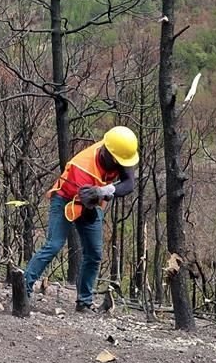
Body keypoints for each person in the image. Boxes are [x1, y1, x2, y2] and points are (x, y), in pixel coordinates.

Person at [22, 126, 138, 312]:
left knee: (94, 253)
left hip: (92, 199)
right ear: (109, 154)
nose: (122, 166)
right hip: (66, 198)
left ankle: (84, 301)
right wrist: (98, 194)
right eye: (119, 162)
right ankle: (23, 289)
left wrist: (106, 190)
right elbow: (87, 208)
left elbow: (129, 183)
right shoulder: (82, 167)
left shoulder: (120, 149)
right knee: (54, 244)